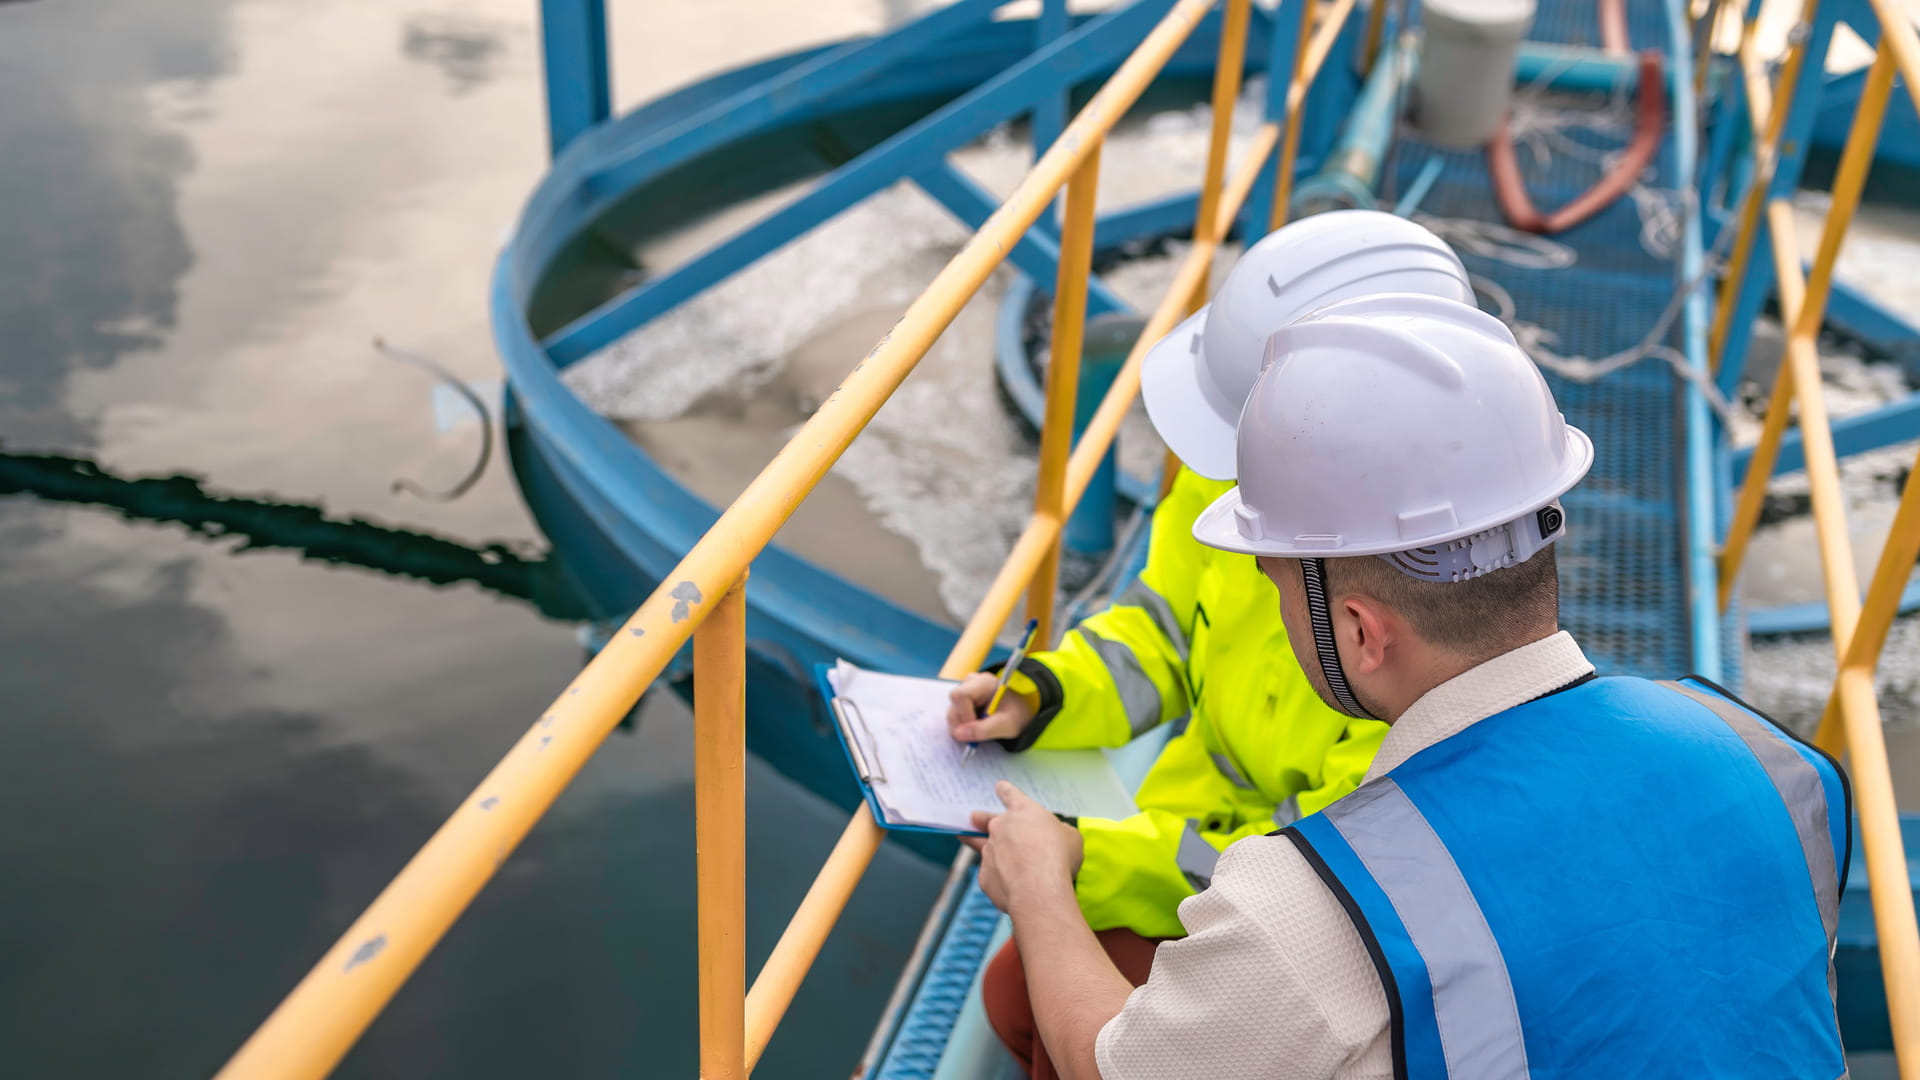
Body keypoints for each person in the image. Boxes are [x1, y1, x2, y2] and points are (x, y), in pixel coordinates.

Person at [964, 292, 1851, 1080]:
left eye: (1273, 585)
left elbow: (1106, 1067)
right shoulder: (1776, 763)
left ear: (1359, 631)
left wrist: (1041, 884)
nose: (1271, 611)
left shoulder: (1312, 907)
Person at [944, 213, 1474, 1079]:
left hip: (1265, 900)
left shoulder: (1417, 652)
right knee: (1014, 996)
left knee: (1049, 1021)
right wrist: (1043, 693)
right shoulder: (1229, 475)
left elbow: (1298, 875)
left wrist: (1080, 859)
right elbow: (1160, 627)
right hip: (1189, 847)